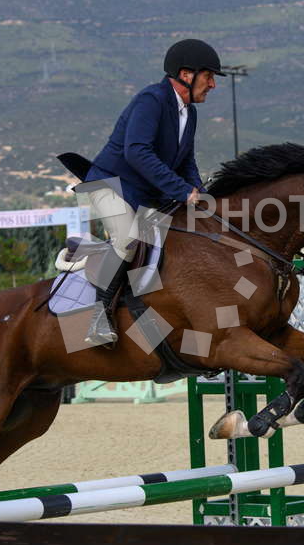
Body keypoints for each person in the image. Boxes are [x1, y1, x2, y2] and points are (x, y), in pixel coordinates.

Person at [78, 39, 225, 347]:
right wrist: (181, 190)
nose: (212, 84)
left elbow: (186, 162)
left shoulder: (189, 113)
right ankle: (97, 317)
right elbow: (136, 152)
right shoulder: (152, 100)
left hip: (145, 193)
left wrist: (199, 193)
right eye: (209, 76)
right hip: (110, 185)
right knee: (128, 238)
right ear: (186, 74)